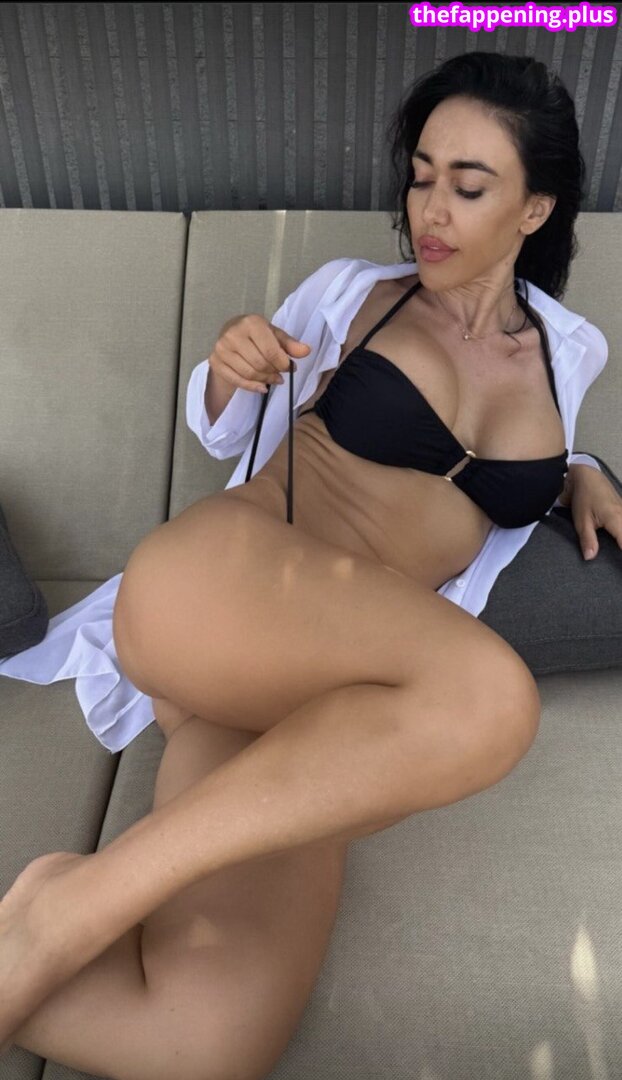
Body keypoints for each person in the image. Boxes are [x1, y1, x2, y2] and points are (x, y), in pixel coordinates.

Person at [2, 51, 620, 1080]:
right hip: (221, 591)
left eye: (468, 187)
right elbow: (222, 425)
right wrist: (229, 363)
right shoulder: (354, 294)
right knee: (487, 699)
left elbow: (524, 460)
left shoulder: (570, 348)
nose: (430, 210)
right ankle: (76, 910)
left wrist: (581, 475)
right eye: (421, 177)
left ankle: (42, 913)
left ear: (534, 208)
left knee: (205, 1047)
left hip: (296, 710)